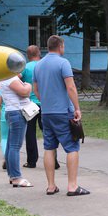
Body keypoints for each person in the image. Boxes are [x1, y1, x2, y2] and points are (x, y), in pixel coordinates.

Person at [34, 35, 89, 196]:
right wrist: (77, 108)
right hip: (63, 111)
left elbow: (35, 89)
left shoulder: (38, 65)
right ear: (60, 46)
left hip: (46, 112)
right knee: (72, 147)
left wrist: (45, 101)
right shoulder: (63, 63)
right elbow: (70, 87)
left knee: (49, 147)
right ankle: (72, 186)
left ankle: (51, 186)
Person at [0, 74, 34, 188]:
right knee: (15, 146)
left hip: (12, 112)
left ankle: (12, 175)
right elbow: (25, 92)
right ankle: (16, 177)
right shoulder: (10, 78)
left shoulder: (5, 77)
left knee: (11, 146)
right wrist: (28, 85)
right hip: (17, 112)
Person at [20, 45, 42, 168]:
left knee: (30, 133)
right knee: (48, 132)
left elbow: (16, 80)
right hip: (44, 102)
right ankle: (53, 160)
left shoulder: (25, 68)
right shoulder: (44, 66)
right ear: (39, 53)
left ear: (27, 56)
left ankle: (31, 161)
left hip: (29, 104)